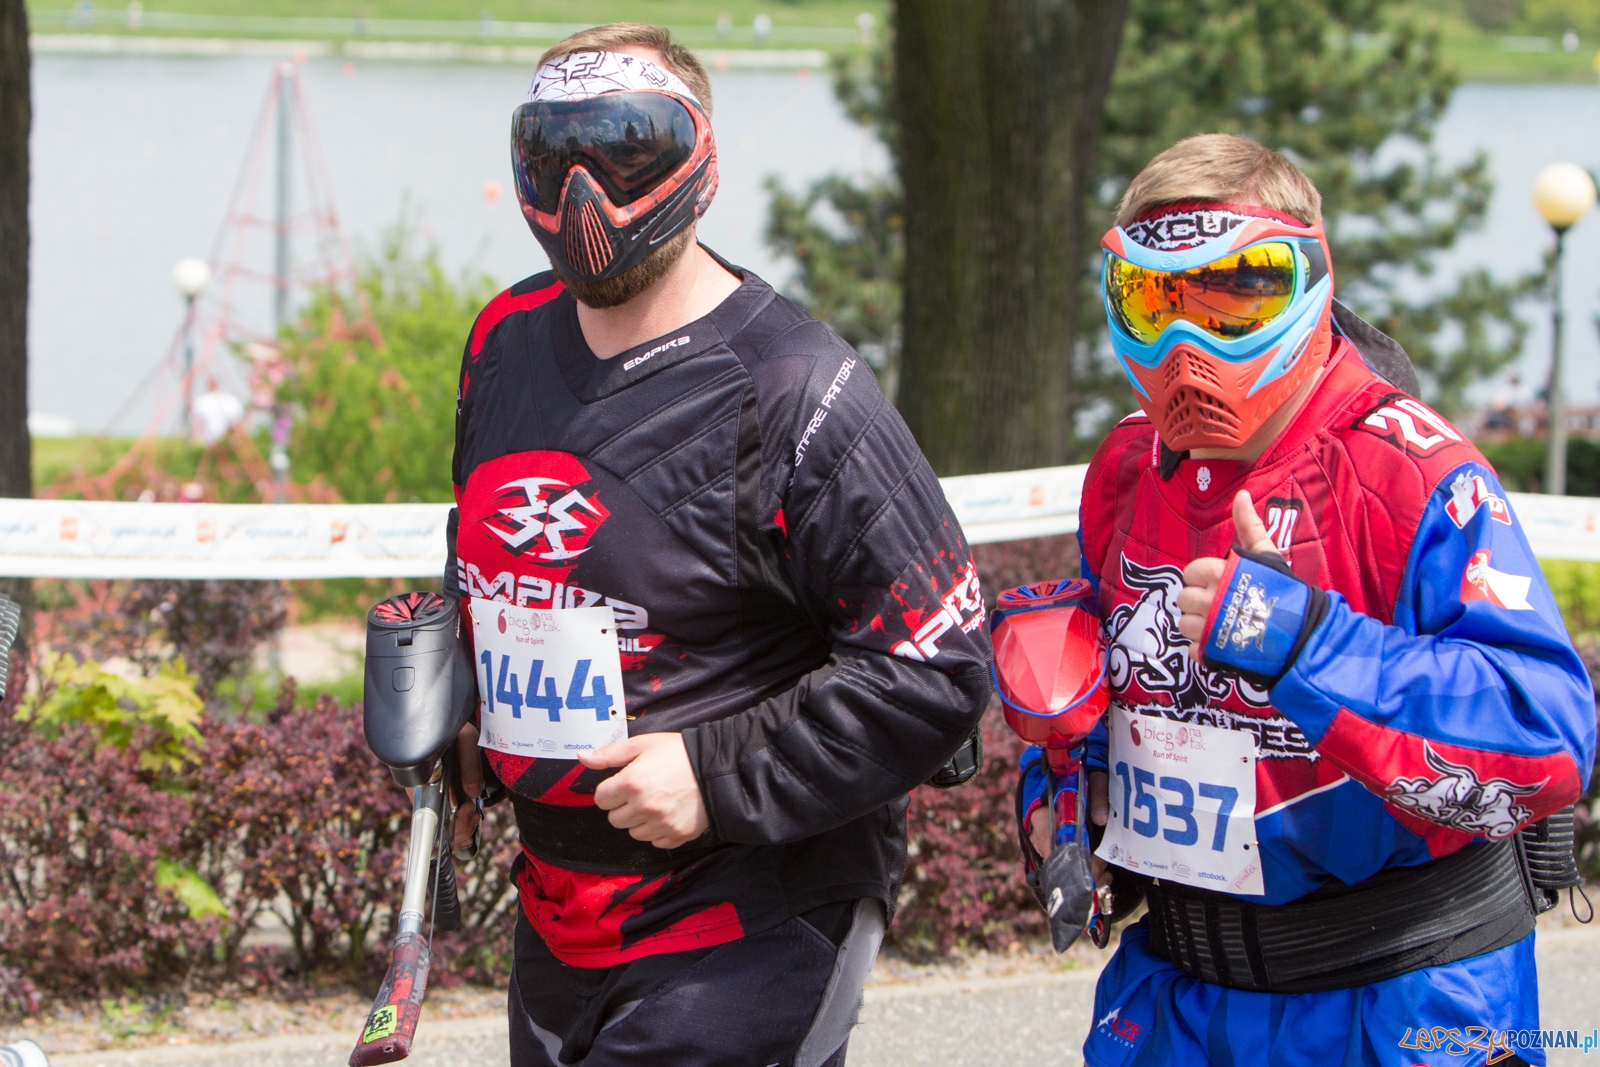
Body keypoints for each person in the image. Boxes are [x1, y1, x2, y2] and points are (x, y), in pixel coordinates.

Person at [440, 24, 991, 1067]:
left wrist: (713, 768)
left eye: (626, 150)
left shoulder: (797, 386)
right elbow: (492, 550)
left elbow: (938, 666)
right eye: (555, 157)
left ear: (702, 163)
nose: (586, 195)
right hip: (560, 911)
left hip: (751, 912)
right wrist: (462, 697)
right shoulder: (500, 343)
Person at [1017, 133, 1595, 1067]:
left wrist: (1303, 643)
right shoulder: (1127, 465)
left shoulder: (1412, 474)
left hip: (1400, 1002)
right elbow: (1117, 705)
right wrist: (1060, 796)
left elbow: (1545, 738)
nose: (1184, 344)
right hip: (1174, 997)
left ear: (1313, 279)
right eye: (1153, 299)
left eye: (1233, 294)